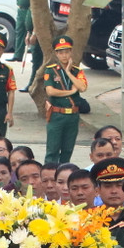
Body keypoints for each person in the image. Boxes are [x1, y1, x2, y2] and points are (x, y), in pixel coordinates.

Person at [43, 36, 87, 165]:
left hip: (73, 115)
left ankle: (64, 175)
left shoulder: (77, 71)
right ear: (56, 54)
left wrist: (68, 73)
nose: (64, 55)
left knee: (68, 150)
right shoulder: (51, 70)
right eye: (61, 52)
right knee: (53, 150)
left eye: (67, 52)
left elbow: (82, 87)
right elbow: (50, 91)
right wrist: (70, 92)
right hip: (57, 114)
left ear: (71, 52)